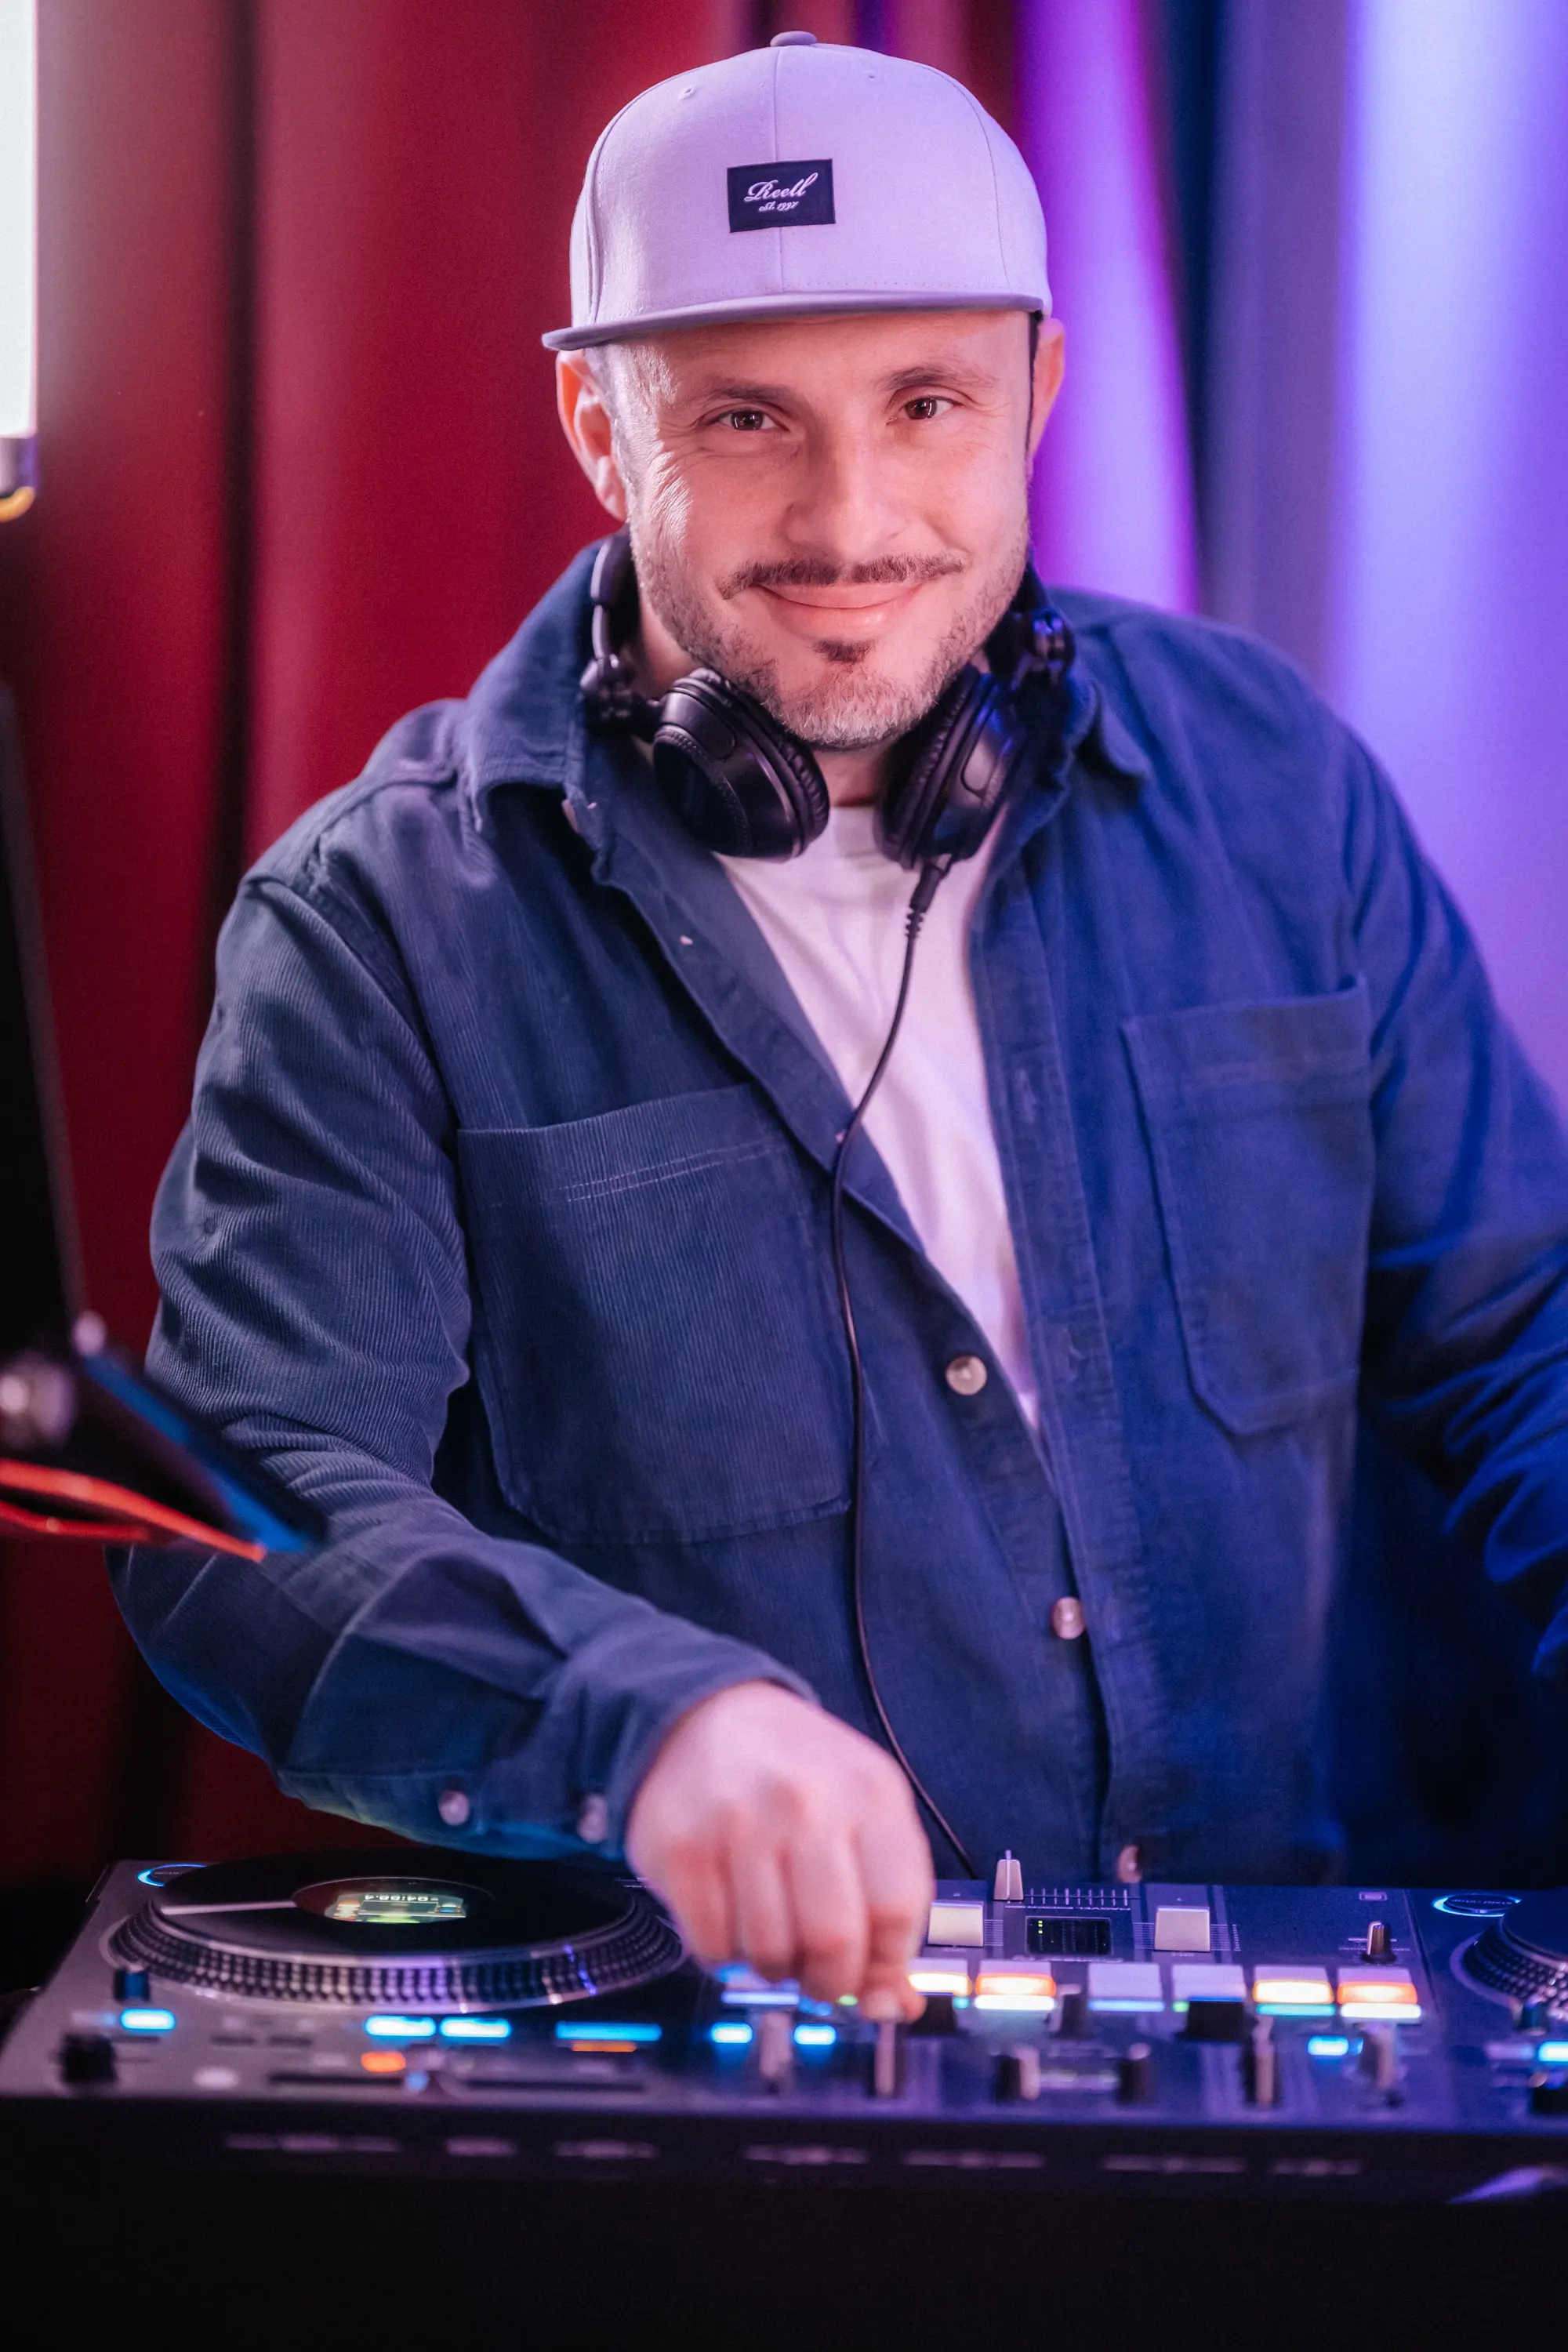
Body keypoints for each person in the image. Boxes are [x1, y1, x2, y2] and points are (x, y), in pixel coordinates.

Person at [118, 36, 1568, 2025]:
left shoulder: (1270, 783)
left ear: (1037, 394)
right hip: (705, 2073)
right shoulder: (375, 925)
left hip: (1291, 2022)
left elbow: (1522, 1330)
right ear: (598, 428)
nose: (849, 521)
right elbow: (234, 1520)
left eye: (924, 403)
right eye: (743, 419)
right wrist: (643, 1725)